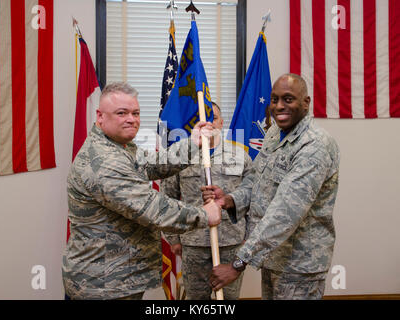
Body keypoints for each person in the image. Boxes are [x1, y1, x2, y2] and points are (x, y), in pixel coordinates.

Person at [62, 82, 221, 300]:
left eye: (135, 113)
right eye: (121, 113)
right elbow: (153, 210)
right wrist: (205, 215)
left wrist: (193, 143)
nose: (131, 119)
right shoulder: (104, 161)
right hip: (103, 286)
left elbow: (150, 164)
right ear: (100, 117)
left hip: (116, 279)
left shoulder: (119, 147)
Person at [203, 73, 340, 300]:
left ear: (306, 103)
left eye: (288, 99)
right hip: (274, 258)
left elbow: (285, 212)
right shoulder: (275, 133)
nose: (278, 106)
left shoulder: (314, 145)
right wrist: (230, 200)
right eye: (274, 99)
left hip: (300, 267)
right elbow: (257, 180)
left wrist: (238, 263)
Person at [162, 103, 252, 300]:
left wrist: (248, 237)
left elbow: (252, 197)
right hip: (193, 243)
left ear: (221, 123)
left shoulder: (240, 156)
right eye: (204, 119)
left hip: (231, 242)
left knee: (228, 300)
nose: (209, 123)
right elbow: (166, 198)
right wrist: (174, 239)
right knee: (196, 300)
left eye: (214, 118)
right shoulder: (180, 155)